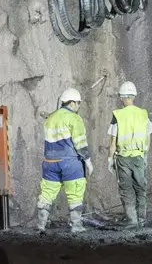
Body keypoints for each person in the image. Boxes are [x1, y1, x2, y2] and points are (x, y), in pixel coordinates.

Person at [36, 88, 94, 233]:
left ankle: (41, 224)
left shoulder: (50, 118)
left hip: (50, 162)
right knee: (75, 193)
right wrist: (88, 161)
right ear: (73, 102)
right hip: (70, 162)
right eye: (78, 103)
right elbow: (80, 142)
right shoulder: (74, 118)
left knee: (47, 194)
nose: (79, 106)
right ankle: (76, 225)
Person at [107, 81, 152, 228]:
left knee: (127, 190)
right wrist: (145, 155)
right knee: (141, 188)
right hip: (139, 158)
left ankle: (132, 221)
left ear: (122, 97)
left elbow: (113, 141)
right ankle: (142, 220)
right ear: (133, 96)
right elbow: (148, 137)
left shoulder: (118, 115)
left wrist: (109, 159)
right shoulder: (143, 114)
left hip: (123, 159)